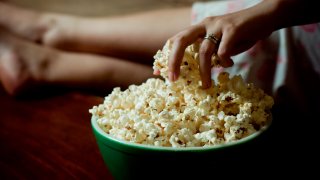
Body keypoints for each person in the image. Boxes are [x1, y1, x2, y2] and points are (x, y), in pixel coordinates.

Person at [0, 0, 319, 113]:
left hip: (296, 39)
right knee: (185, 90)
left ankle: (44, 43)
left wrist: (271, 12)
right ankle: (45, 60)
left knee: (194, 90)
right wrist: (270, 11)